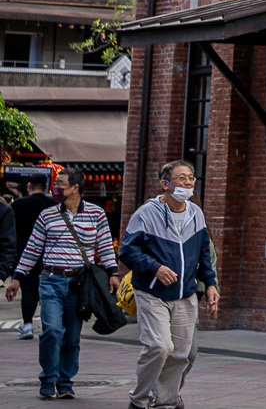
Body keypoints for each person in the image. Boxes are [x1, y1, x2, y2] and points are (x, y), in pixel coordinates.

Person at [5, 166, 120, 400]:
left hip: (80, 284)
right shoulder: (47, 215)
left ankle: (65, 382)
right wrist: (17, 278)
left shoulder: (96, 214)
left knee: (72, 336)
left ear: (75, 188)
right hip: (50, 281)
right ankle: (48, 379)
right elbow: (33, 248)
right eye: (55, 184)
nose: (55, 188)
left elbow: (106, 247)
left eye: (60, 184)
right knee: (52, 330)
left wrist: (113, 273)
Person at [121, 160, 219, 409]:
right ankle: (139, 398)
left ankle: (165, 402)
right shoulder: (146, 213)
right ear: (165, 184)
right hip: (152, 292)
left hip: (185, 295)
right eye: (182, 178)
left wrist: (210, 283)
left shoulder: (196, 213)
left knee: (181, 354)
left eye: (191, 178)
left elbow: (204, 253)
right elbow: (127, 251)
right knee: (159, 346)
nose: (188, 182)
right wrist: (155, 267)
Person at [11, 173, 53, 340]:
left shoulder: (19, 204)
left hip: (24, 252)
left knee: (28, 288)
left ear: (29, 186)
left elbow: (12, 229)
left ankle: (27, 324)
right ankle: (49, 324)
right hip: (49, 253)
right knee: (49, 289)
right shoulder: (53, 204)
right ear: (46, 186)